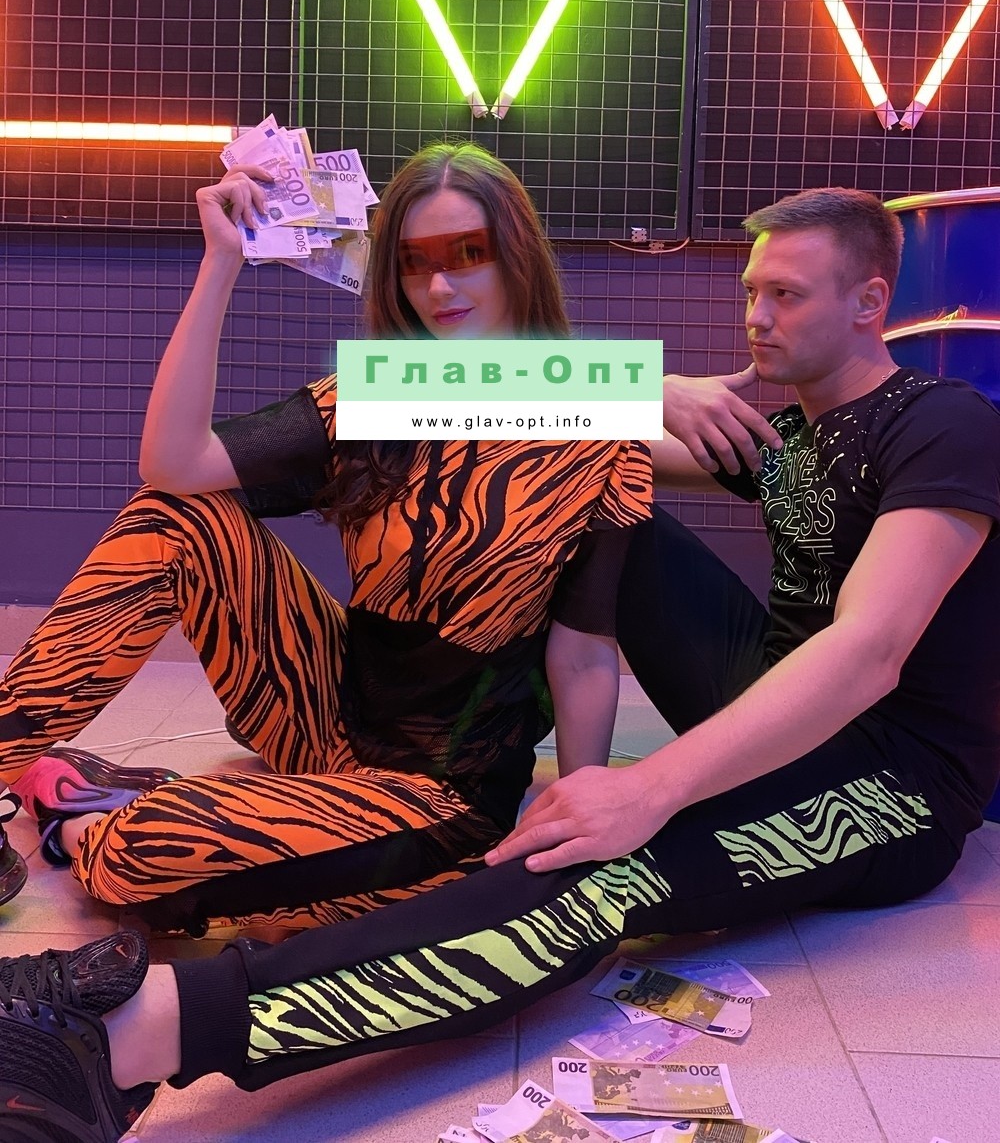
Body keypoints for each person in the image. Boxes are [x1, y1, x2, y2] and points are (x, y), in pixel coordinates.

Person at [3, 186, 999, 1143]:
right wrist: (628, 388)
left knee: (595, 870)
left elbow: (868, 652)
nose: (754, 317)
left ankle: (138, 1030)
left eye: (784, 294)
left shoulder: (945, 423)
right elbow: (518, 409)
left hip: (893, 778)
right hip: (757, 710)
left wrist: (644, 787)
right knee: (607, 484)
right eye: (750, 291)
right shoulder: (781, 441)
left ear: (870, 302)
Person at [0, 141, 652, 940]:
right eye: (413, 263)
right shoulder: (379, 397)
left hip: (442, 791)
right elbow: (172, 465)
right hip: (322, 713)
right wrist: (221, 263)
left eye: (468, 255)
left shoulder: (599, 433)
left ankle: (87, 819)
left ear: (517, 257)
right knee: (175, 516)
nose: (439, 287)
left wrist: (583, 813)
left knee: (137, 857)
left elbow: (582, 655)